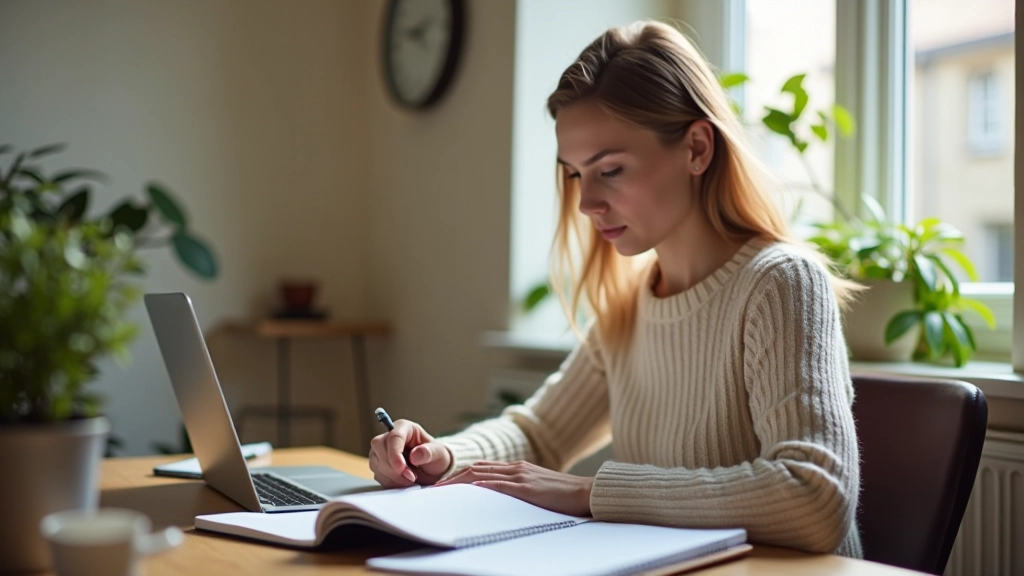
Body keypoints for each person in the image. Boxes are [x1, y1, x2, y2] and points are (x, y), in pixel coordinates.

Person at [369, 20, 862, 557]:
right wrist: (440, 456)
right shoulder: (631, 302)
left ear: (697, 148)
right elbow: (540, 434)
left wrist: (589, 492)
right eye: (578, 174)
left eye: (612, 170)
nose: (586, 204)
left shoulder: (780, 282)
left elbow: (815, 497)